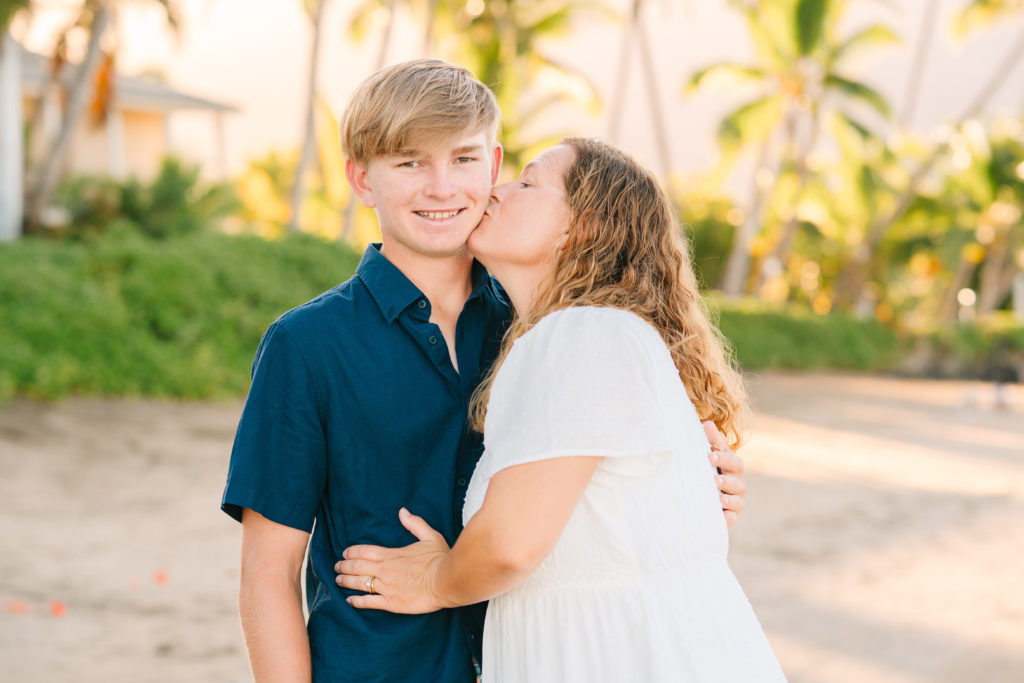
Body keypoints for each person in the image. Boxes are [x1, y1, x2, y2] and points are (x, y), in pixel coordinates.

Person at [221, 60, 748, 682]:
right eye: (410, 162)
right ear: (361, 180)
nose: (442, 188)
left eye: (464, 160)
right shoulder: (306, 344)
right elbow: (268, 571)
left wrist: (701, 479)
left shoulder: (548, 333)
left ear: (494, 169)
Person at [335, 138, 785, 681]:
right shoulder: (597, 336)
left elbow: (509, 543)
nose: (495, 192)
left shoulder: (582, 333)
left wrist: (435, 580)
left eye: (527, 183)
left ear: (583, 228)